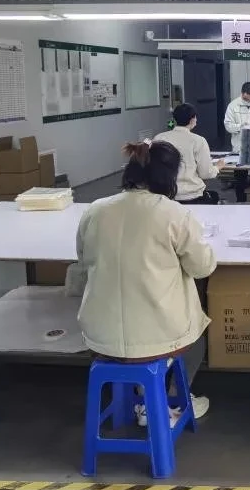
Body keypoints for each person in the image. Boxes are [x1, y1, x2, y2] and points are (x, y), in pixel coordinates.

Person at [72, 140, 217, 420]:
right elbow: (201, 268)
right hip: (158, 336)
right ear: (169, 176)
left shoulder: (95, 210)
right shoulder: (174, 214)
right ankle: (164, 403)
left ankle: (141, 396)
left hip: (100, 335)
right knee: (197, 337)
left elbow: (83, 258)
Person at [153, 103, 223, 204]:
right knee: (214, 196)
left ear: (175, 119)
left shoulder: (159, 138)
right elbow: (206, 174)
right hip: (191, 196)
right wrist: (217, 167)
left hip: (165, 196)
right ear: (192, 120)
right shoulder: (198, 140)